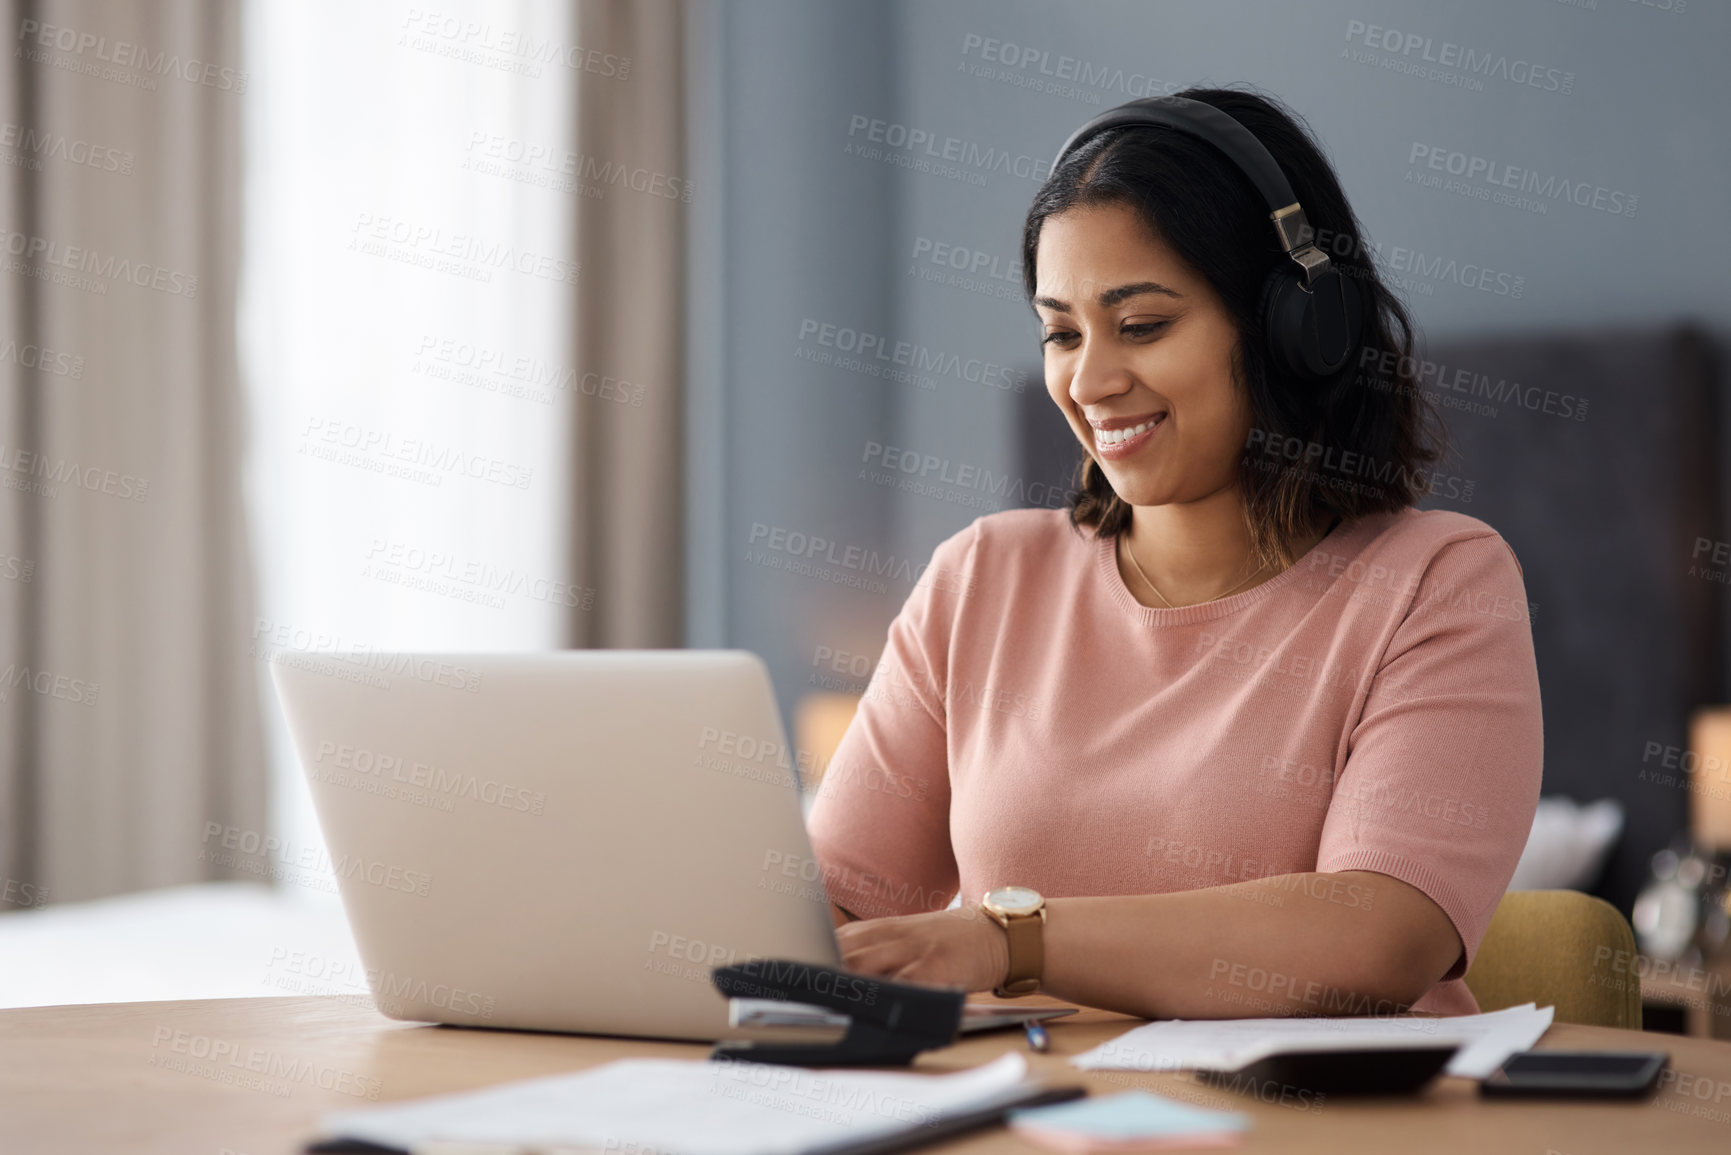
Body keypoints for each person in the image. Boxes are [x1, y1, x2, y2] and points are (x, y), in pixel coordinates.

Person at [802, 86, 1542, 1019]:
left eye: (1142, 325)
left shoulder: (1437, 581)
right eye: (1060, 333)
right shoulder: (979, 577)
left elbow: (1380, 936)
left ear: (1295, 329)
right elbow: (826, 912)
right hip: (1027, 1120)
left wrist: (1007, 942)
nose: (1090, 380)